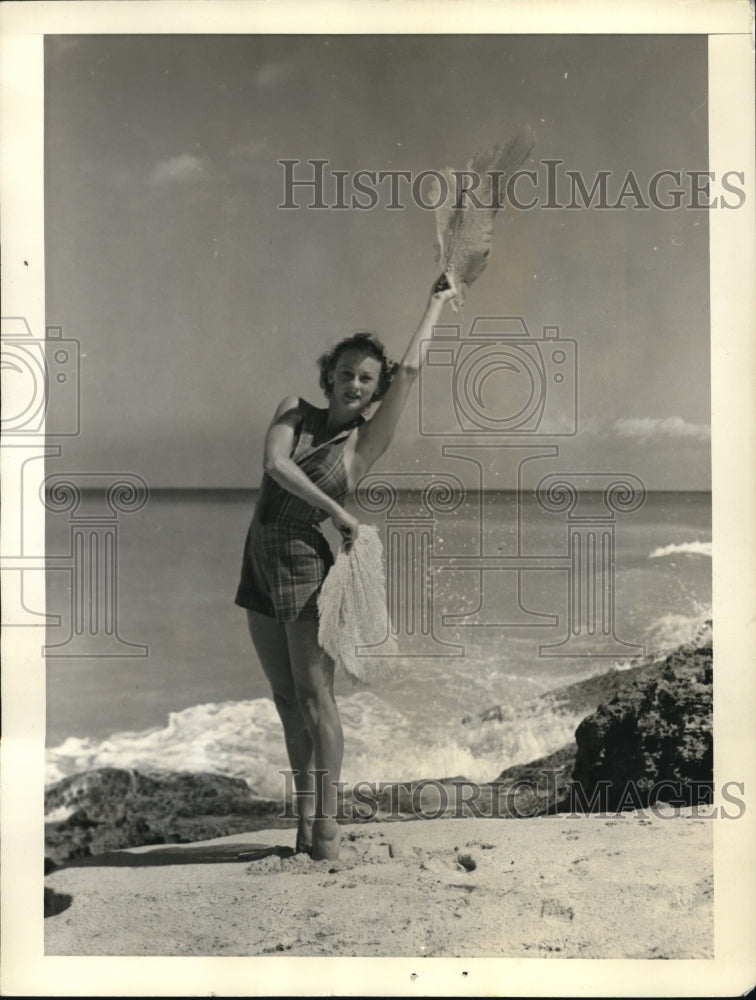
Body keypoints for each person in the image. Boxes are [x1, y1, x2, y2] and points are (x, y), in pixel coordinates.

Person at [235, 274, 455, 860]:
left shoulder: (365, 444)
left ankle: (327, 831)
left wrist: (435, 301)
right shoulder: (293, 410)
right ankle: (303, 827)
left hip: (307, 565)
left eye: (366, 378)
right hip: (258, 561)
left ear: (375, 389)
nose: (354, 384)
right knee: (284, 702)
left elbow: (408, 373)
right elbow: (274, 464)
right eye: (345, 373)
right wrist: (340, 511)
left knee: (314, 700)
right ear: (328, 375)